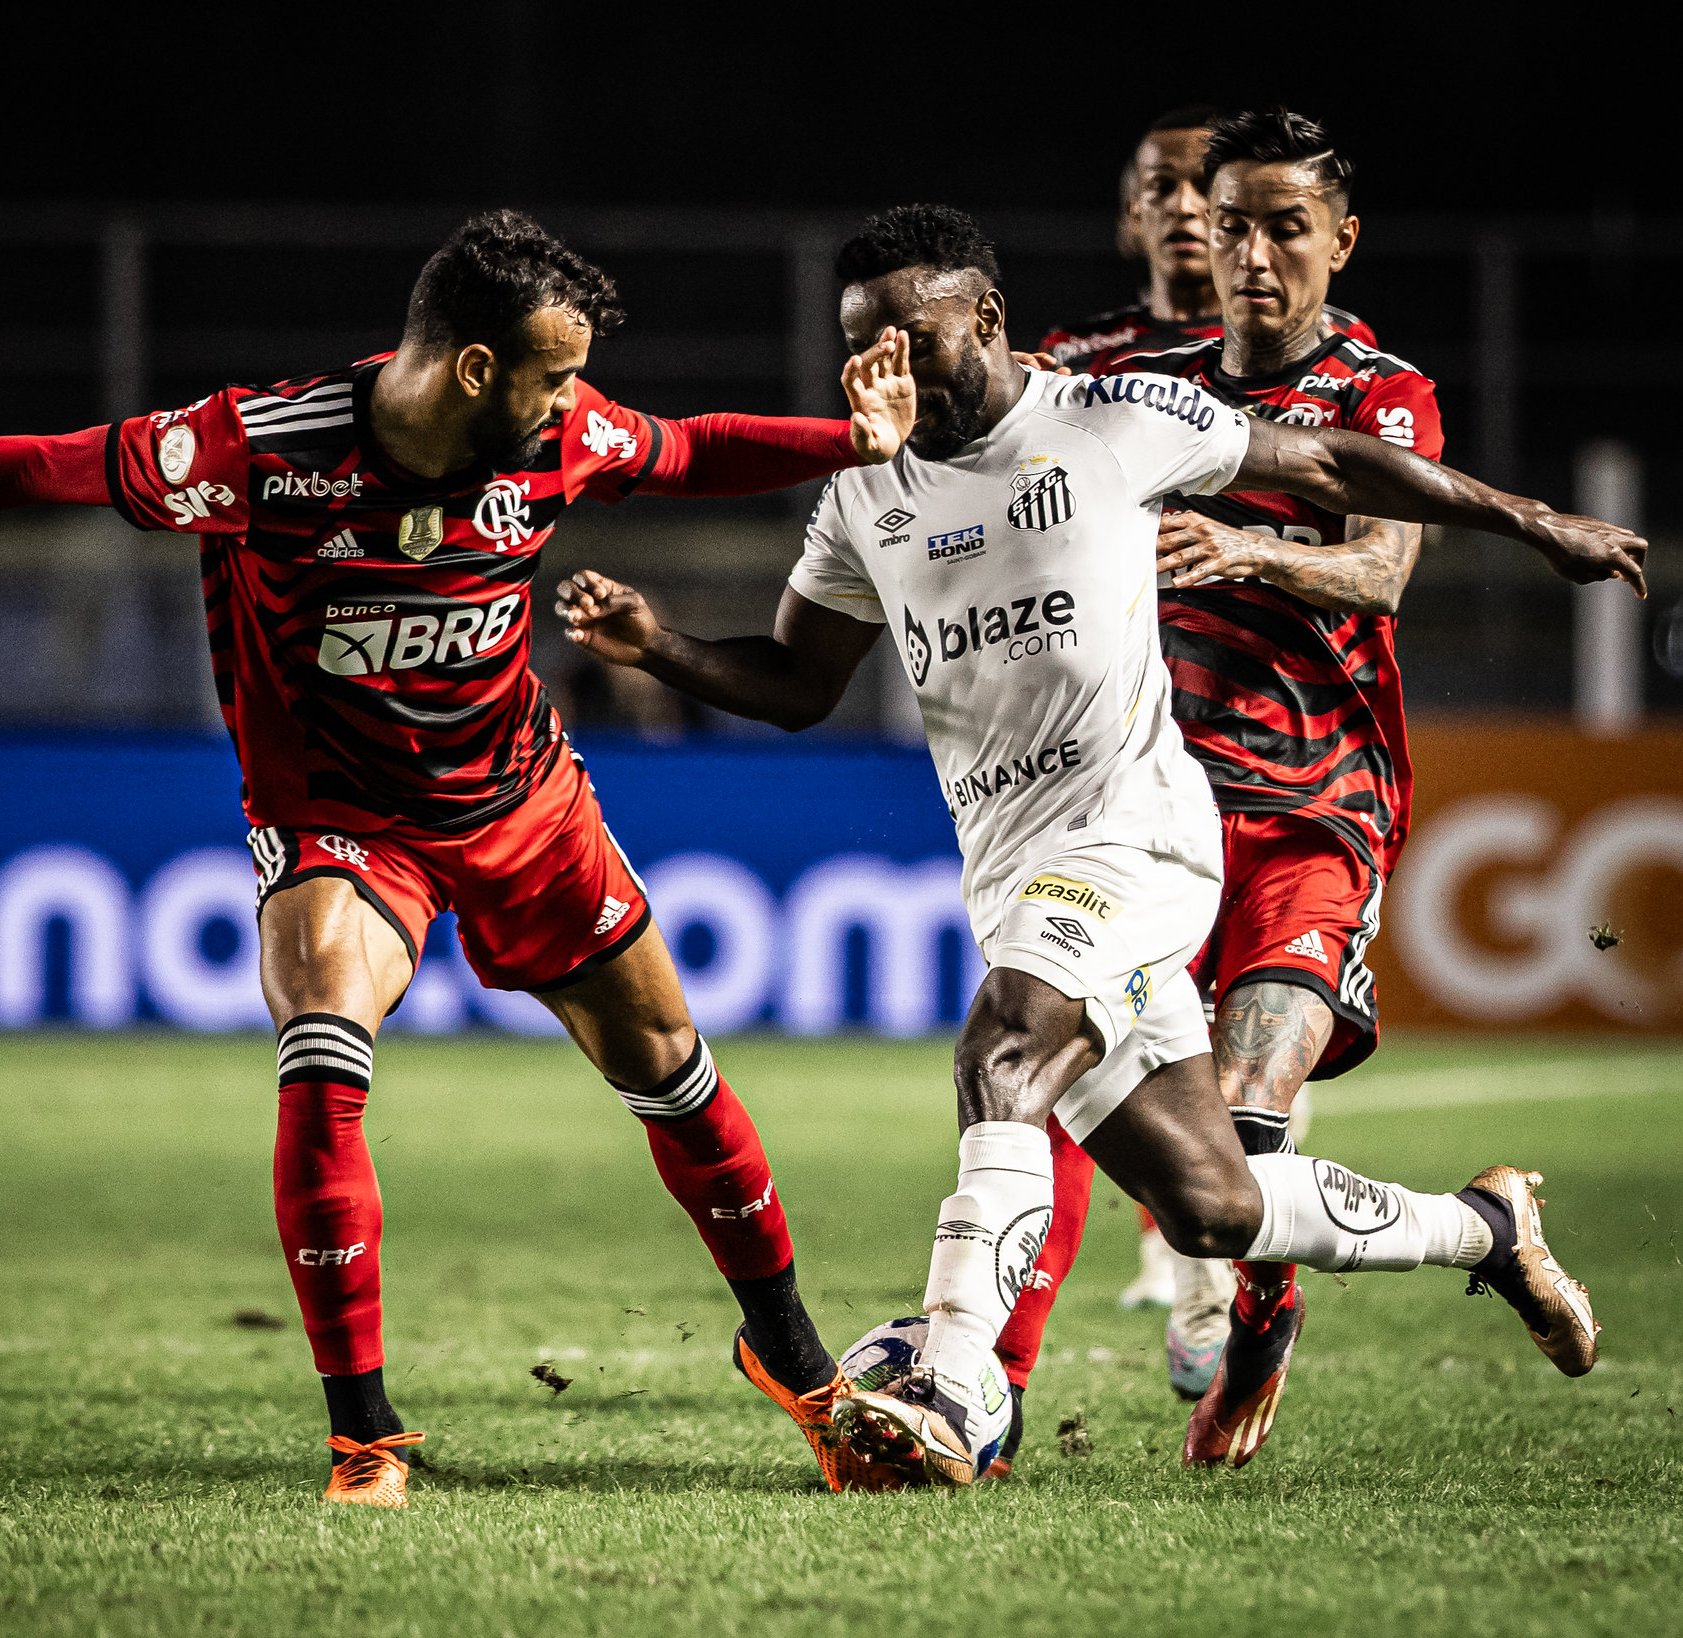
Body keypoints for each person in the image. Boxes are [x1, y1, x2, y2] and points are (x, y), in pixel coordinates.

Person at [0, 210, 918, 1508]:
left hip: (523, 800)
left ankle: (798, 1367)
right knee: (323, 1047)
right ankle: (364, 1438)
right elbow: (49, 466)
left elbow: (696, 451)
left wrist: (854, 442)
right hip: (344, 817)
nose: (574, 408)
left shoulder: (561, 436)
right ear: (476, 369)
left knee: (672, 1066)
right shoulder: (259, 451)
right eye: (552, 380)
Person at [554, 203, 1642, 1490]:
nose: (887, 370)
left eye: (912, 336)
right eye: (861, 347)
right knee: (1214, 1204)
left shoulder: (1109, 420)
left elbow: (1330, 467)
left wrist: (1529, 522)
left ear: (988, 320)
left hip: (1135, 836)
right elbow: (797, 681)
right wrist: (656, 644)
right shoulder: (863, 491)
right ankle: (1483, 1226)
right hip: (1011, 871)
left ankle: (955, 1391)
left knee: (1001, 1045)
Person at [999, 105, 1469, 1465]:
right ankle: (995, 1385)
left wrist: (1246, 553)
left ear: (1341, 240)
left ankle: (1260, 1304)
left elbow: (1382, 569)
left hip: (1319, 805)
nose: (1250, 252)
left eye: (1284, 227)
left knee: (1245, 1132)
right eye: (1233, 224)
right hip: (1151, 811)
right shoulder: (1153, 392)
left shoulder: (1383, 393)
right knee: (1057, 1076)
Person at [1040, 106, 1376, 376]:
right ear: (1134, 214)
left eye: (1205, 187)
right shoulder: (1071, 351)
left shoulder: (1334, 335)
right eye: (1162, 186)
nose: (1183, 206)